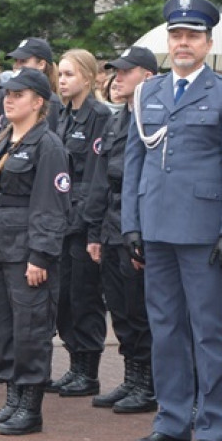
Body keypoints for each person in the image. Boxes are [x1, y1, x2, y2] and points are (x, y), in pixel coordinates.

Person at [121, 0, 222, 441]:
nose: (182, 43)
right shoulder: (148, 93)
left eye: (192, 36)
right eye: (176, 35)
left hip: (202, 232)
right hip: (156, 229)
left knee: (209, 332)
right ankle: (173, 418)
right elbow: (134, 164)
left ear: (208, 43)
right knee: (165, 328)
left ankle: (213, 424)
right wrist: (131, 223)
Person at [0, 68, 70, 435]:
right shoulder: (3, 140)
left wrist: (40, 256)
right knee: (1, 325)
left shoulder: (49, 146)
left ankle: (30, 406)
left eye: (19, 94)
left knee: (30, 327)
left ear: (39, 102)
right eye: (7, 93)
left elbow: (52, 206)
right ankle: (12, 399)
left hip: (26, 250)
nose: (9, 99)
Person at [83, 47, 158, 413]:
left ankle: (148, 383)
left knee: (139, 307)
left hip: (136, 226)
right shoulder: (115, 120)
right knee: (119, 307)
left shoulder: (152, 119)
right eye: (115, 72)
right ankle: (132, 377)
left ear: (147, 76)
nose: (117, 79)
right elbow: (99, 180)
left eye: (126, 72)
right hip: (112, 225)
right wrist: (94, 232)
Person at [50, 49, 111, 397]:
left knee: (85, 296)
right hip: (62, 218)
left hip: (83, 220)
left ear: (88, 78)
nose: (62, 81)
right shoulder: (63, 116)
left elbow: (94, 178)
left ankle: (88, 370)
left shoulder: (99, 116)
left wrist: (91, 226)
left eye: (70, 75)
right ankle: (74, 364)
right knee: (65, 297)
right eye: (60, 74)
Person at [6, 38, 63, 131]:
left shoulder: (51, 101)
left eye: (23, 61)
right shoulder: (9, 95)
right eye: (16, 61)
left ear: (41, 64)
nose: (16, 66)